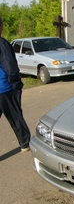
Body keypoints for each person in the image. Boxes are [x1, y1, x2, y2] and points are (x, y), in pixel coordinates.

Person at [0, 16, 31, 153]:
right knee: (15, 116)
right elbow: (10, 66)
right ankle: (25, 143)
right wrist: (17, 84)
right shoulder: (2, 44)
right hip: (5, 88)